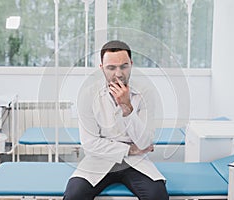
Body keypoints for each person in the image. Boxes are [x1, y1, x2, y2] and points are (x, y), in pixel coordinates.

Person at [63, 40, 169, 200]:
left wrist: (127, 107)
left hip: (135, 162)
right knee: (73, 195)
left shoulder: (145, 93)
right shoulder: (87, 95)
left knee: (157, 195)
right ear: (102, 68)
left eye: (124, 66)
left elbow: (145, 142)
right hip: (98, 160)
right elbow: (90, 144)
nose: (118, 73)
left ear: (131, 64)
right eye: (111, 68)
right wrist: (129, 149)